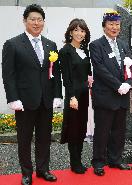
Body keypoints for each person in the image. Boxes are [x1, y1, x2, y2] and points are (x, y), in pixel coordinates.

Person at [1, 4, 62, 185]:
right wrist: (13, 98)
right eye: (32, 19)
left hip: (46, 101)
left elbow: (55, 73)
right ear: (25, 21)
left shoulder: (50, 45)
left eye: (40, 20)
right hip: (25, 101)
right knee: (24, 139)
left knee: (44, 137)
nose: (36, 23)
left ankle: (43, 170)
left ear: (43, 22)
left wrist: (57, 95)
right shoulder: (13, 44)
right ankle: (26, 173)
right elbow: (8, 75)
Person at [89, 10, 132, 176]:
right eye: (111, 24)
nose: (114, 27)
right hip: (105, 96)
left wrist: (128, 84)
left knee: (119, 131)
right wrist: (118, 85)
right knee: (102, 131)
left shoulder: (123, 45)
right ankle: (99, 162)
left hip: (122, 96)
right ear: (104, 27)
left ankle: (116, 160)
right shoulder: (95, 45)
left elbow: (130, 68)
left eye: (117, 24)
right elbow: (100, 69)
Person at [59, 18, 92, 174]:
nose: (79, 33)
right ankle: (74, 163)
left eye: (82, 30)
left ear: (85, 33)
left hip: (85, 95)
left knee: (81, 128)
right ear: (71, 32)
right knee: (73, 129)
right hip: (74, 96)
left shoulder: (85, 50)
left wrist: (90, 79)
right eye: (76, 30)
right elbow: (66, 78)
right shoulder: (65, 51)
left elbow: (87, 73)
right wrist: (71, 96)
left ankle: (78, 160)